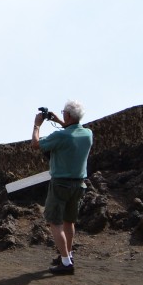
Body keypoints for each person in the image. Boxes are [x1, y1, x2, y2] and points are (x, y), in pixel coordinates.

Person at [32, 101, 93, 275]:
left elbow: (35, 144)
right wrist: (59, 120)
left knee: (55, 222)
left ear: (67, 115)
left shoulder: (61, 136)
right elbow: (73, 129)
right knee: (69, 221)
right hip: (79, 184)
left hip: (60, 183)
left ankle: (65, 262)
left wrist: (37, 125)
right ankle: (68, 255)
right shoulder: (88, 134)